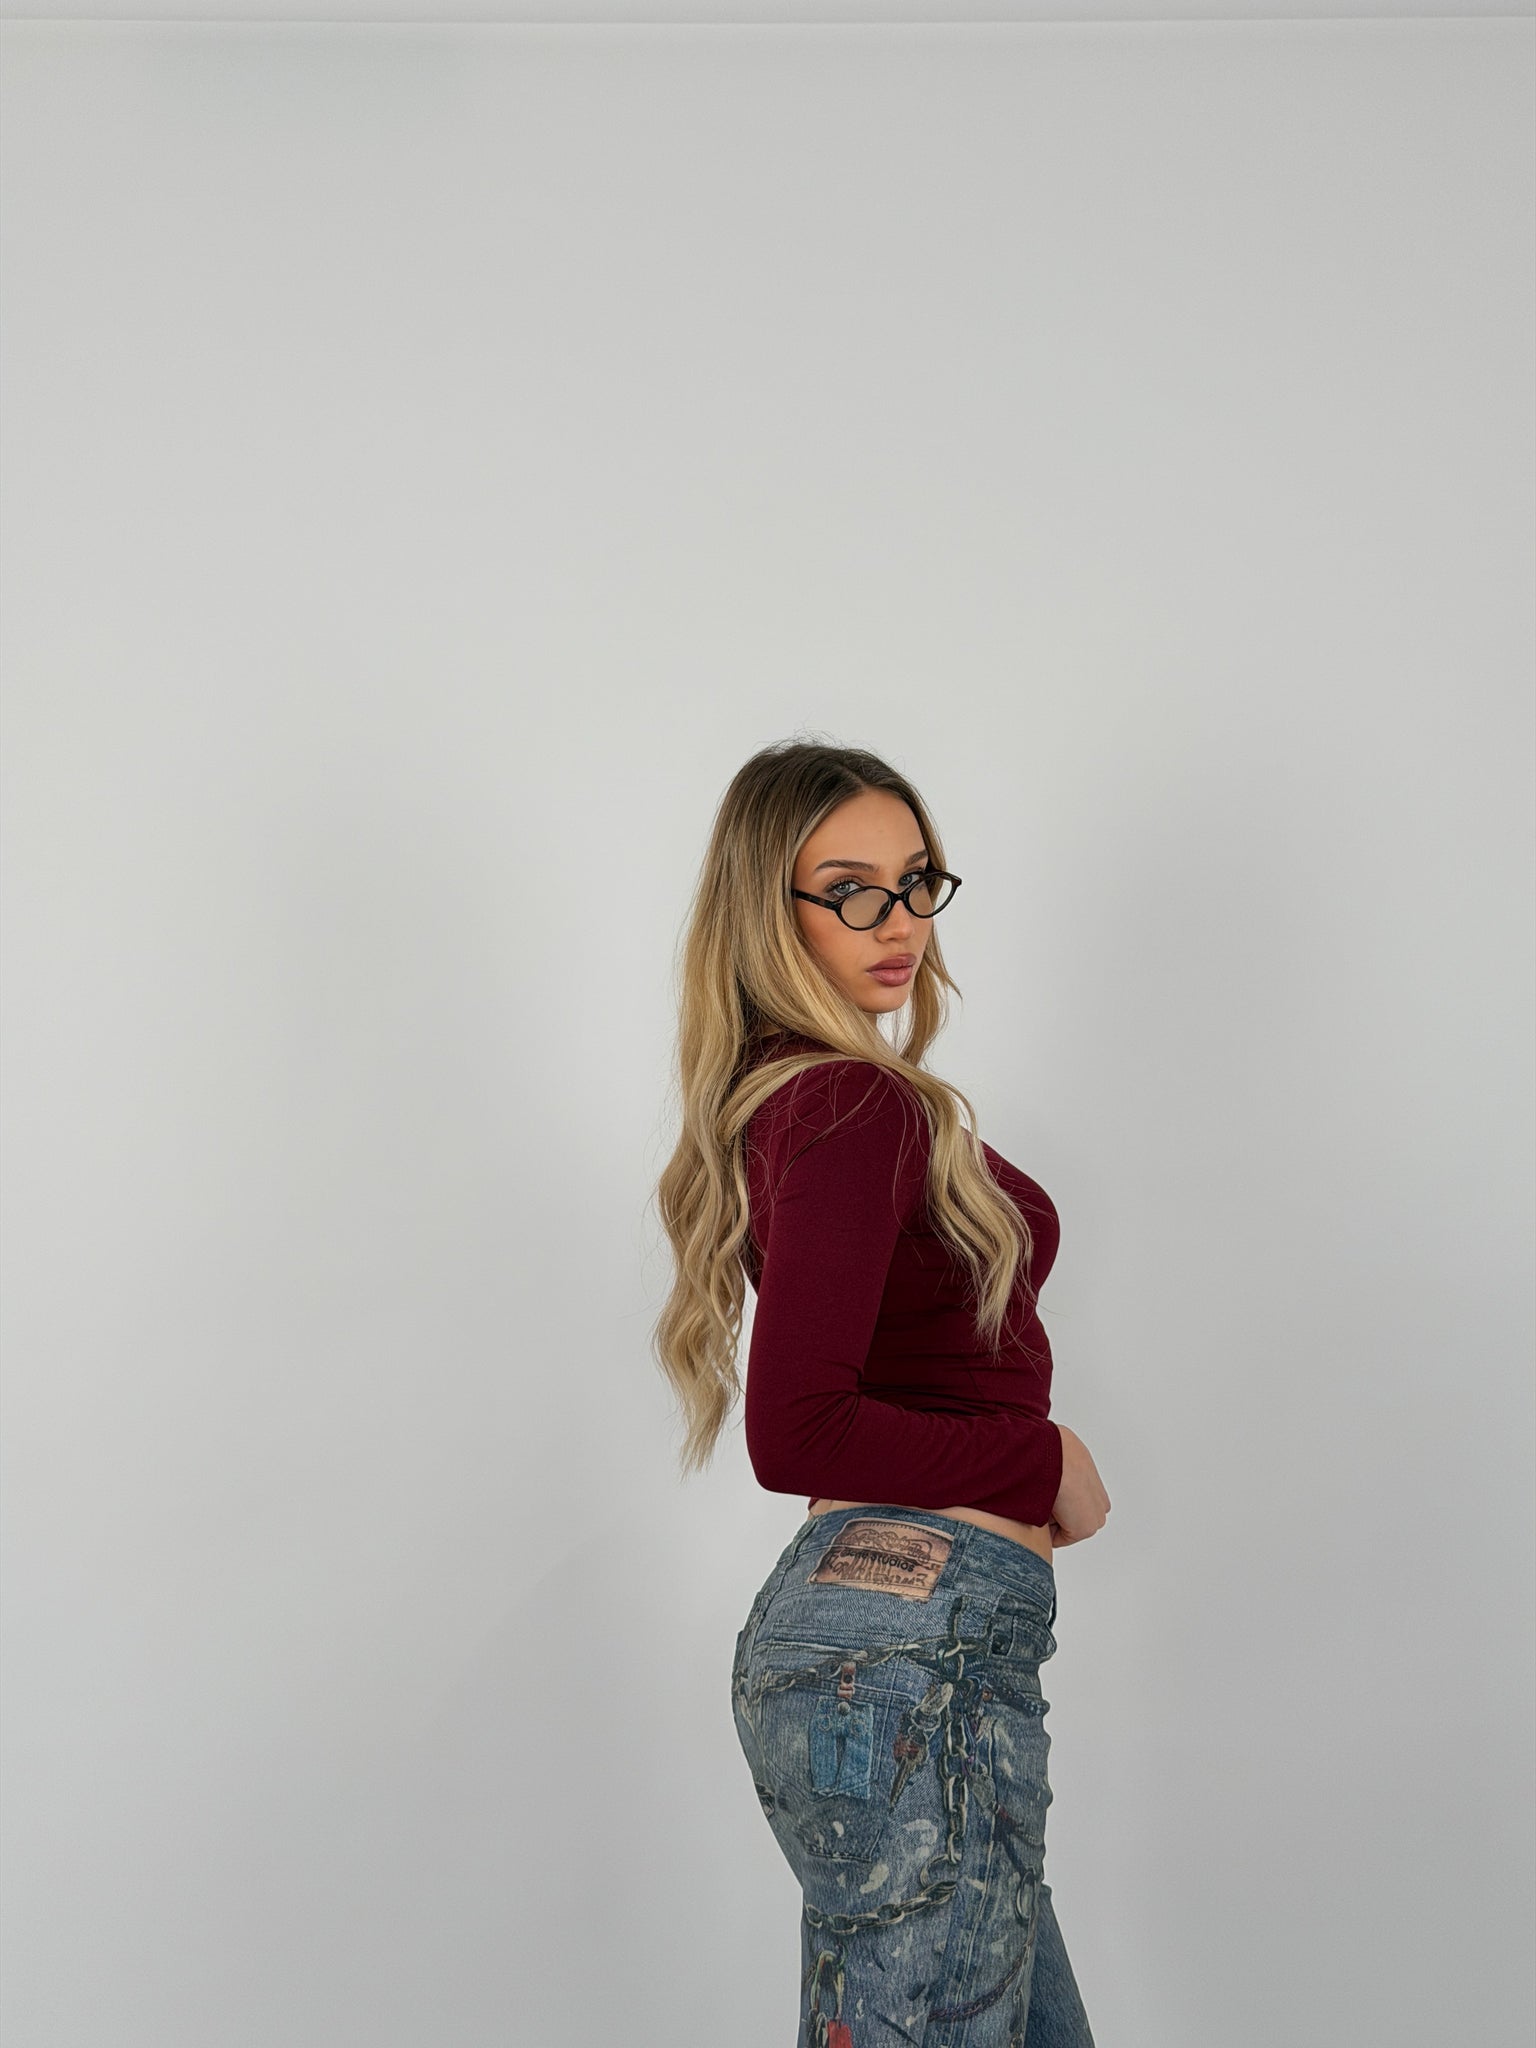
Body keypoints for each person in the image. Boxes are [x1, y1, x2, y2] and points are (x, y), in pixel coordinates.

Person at [652, 738, 1111, 2047]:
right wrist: (1041, 1461)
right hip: (914, 1657)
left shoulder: (809, 1099)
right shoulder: (849, 1101)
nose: (898, 922)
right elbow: (796, 1428)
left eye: (915, 883)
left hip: (896, 1651)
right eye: (849, 891)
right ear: (769, 911)